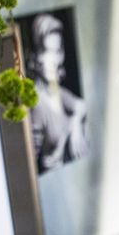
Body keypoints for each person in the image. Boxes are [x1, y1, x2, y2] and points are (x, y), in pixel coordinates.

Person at [28, 13, 89, 174]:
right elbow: (29, 164)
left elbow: (81, 105)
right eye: (46, 51)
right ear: (35, 55)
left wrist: (75, 126)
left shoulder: (56, 91)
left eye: (57, 52)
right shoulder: (36, 103)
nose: (53, 60)